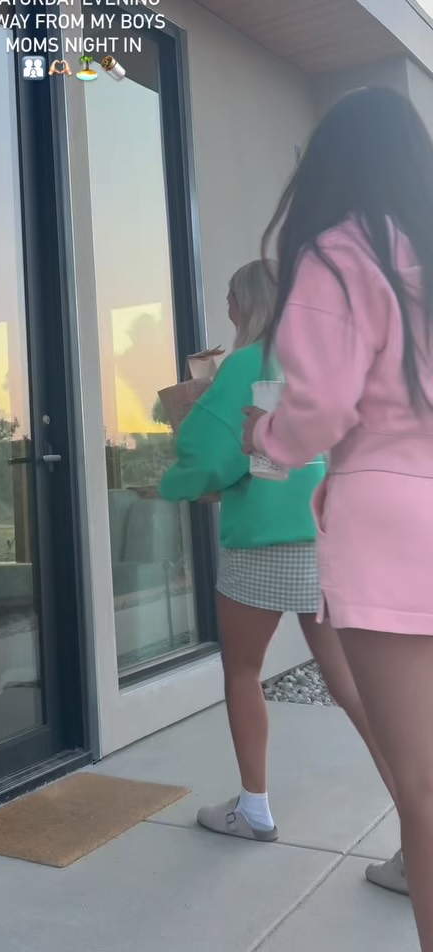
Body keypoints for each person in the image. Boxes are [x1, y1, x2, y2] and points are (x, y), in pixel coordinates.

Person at [243, 85, 433, 948]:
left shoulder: (339, 251)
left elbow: (317, 406)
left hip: (391, 522)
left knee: (423, 789)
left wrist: (264, 438)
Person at [160, 260, 392, 846]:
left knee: (243, 672)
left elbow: (209, 455)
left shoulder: (245, 365)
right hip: (326, 540)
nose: (228, 308)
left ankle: (254, 808)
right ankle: (418, 822)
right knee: (351, 684)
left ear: (249, 302)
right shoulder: (330, 363)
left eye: (231, 297)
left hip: (261, 543)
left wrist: (174, 484)